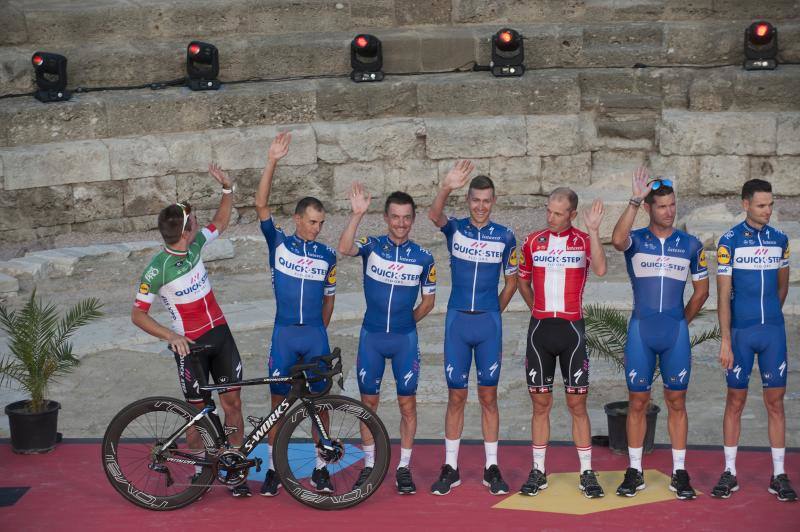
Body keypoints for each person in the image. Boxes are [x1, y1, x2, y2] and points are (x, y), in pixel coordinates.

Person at [132, 163, 250, 497]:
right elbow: (137, 315)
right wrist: (171, 336)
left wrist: (227, 189)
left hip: (220, 336)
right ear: (185, 230)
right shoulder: (157, 269)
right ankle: (200, 468)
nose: (197, 222)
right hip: (191, 346)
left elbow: (222, 221)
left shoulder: (196, 243)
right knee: (197, 415)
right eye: (192, 220)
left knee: (233, 406)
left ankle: (233, 467)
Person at [610, 167, 709, 500]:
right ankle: (635, 471)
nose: (669, 211)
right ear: (651, 208)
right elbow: (617, 238)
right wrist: (634, 201)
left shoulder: (691, 245)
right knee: (637, 401)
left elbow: (702, 292)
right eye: (663, 206)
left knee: (676, 402)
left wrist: (680, 322)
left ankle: (679, 472)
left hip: (674, 334)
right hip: (641, 331)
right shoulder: (637, 240)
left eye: (672, 204)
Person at [426, 161, 518, 496]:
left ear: (494, 202)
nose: (481, 206)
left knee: (489, 396)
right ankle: (450, 466)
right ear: (468, 201)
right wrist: (446, 186)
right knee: (456, 395)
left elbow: (511, 282)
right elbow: (434, 215)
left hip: (487, 323)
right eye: (475, 200)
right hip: (458, 322)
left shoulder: (506, 236)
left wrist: (493, 312)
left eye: (486, 200)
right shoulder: (457, 229)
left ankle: (491, 466)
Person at [338, 184, 436, 495]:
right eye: (395, 217)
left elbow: (429, 301)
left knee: (408, 405)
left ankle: (404, 468)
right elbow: (344, 248)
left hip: (404, 339)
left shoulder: (424, 257)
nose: (401, 223)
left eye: (407, 218)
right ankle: (369, 466)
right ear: (386, 218)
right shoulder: (372, 245)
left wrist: (406, 323)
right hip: (372, 337)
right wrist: (356, 216)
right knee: (368, 404)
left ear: (413, 219)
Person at [255, 133, 338, 497]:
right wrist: (272, 160)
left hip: (314, 334)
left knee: (320, 403)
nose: (317, 228)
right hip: (285, 333)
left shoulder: (327, 255)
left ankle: (321, 469)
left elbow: (329, 300)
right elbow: (260, 205)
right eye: (312, 221)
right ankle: (274, 468)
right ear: (298, 219)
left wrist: (319, 329)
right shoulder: (279, 242)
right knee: (278, 403)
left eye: (321, 222)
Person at [516, 188, 607, 498]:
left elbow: (601, 269)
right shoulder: (532, 241)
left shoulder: (582, 240)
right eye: (548, 211)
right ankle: (538, 470)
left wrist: (594, 231)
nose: (550, 217)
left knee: (576, 405)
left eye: (557, 213)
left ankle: (586, 472)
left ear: (572, 214)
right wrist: (537, 309)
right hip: (540, 329)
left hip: (572, 330)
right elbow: (522, 280)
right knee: (540, 405)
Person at [712, 179, 796, 502]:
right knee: (735, 400)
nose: (768, 211)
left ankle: (778, 474)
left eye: (771, 204)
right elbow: (722, 296)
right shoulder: (729, 241)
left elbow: (782, 288)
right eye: (762, 205)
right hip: (741, 334)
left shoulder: (781, 241)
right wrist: (725, 340)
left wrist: (769, 317)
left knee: (775, 403)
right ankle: (729, 472)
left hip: (772, 332)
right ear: (745, 204)